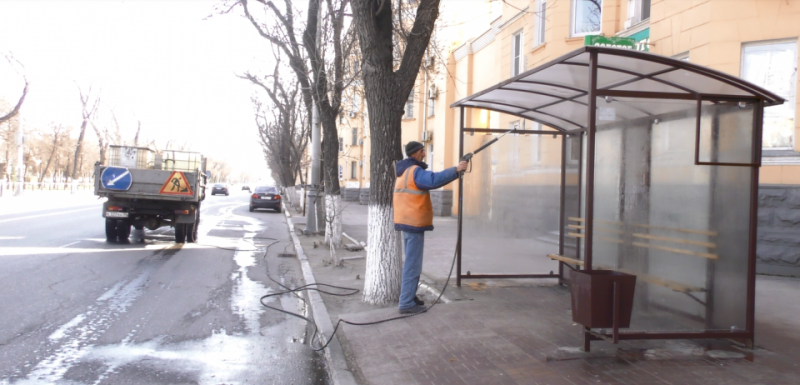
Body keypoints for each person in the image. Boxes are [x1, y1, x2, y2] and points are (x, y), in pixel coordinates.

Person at [394, 141, 468, 314]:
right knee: (413, 264)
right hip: (413, 222)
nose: (424, 154)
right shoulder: (415, 171)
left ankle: (409, 296)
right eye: (421, 151)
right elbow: (433, 180)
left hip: (406, 221)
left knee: (411, 262)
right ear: (413, 153)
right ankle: (406, 303)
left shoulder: (403, 171)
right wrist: (456, 170)